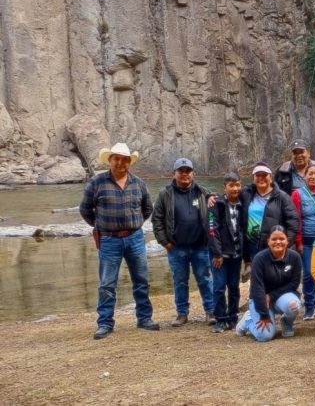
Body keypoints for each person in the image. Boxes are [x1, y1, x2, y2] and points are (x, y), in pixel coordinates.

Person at [79, 142, 159, 339]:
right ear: (110, 160)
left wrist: (135, 223)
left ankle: (144, 318)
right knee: (107, 283)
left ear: (129, 162)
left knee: (141, 280)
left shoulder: (139, 183)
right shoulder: (96, 183)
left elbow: (147, 208)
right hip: (109, 240)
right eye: (117, 159)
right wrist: (100, 225)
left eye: (125, 160)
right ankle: (105, 323)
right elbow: (85, 209)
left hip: (135, 238)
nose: (120, 163)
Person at [152, 157, 216, 327]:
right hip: (176, 247)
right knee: (180, 281)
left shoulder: (203, 192)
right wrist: (164, 242)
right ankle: (182, 314)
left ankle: (211, 311)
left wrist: (211, 240)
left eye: (188, 171)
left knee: (205, 279)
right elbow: (157, 219)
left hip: (200, 247)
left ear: (193, 173)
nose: (185, 174)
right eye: (181, 171)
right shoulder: (165, 194)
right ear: (174, 174)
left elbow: (215, 213)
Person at [238, 226, 302, 341]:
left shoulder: (295, 257)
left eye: (281, 239)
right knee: (265, 336)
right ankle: (248, 320)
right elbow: (257, 288)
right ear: (268, 241)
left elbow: (294, 284)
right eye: (274, 239)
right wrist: (263, 314)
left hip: (281, 296)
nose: (278, 242)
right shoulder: (259, 259)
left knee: (294, 305)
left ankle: (287, 323)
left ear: (287, 240)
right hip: (260, 298)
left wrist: (271, 296)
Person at [290, 162, 315, 320]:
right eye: (310, 174)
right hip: (307, 240)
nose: (313, 177)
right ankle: (309, 306)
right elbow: (296, 219)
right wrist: (298, 241)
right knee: (307, 274)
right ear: (304, 176)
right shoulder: (297, 194)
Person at [208, 172, 245, 332]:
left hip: (236, 253)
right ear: (224, 187)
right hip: (220, 255)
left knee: (234, 286)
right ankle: (220, 318)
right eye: (231, 185)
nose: (235, 188)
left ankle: (233, 316)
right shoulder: (216, 204)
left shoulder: (243, 203)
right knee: (219, 286)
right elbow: (211, 230)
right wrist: (217, 253)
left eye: (237, 185)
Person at [242, 162, 299, 260]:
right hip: (252, 245)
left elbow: (293, 222)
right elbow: (230, 197)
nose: (261, 178)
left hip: (274, 246)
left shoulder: (282, 197)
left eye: (264, 175)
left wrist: (285, 244)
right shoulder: (247, 194)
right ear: (253, 178)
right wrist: (213, 197)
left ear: (271, 177)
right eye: (257, 175)